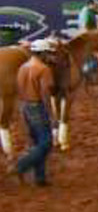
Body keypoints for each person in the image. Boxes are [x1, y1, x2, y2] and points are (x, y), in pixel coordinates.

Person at [13, 40, 57, 187]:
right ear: (42, 53)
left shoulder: (23, 67)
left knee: (36, 142)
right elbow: (45, 94)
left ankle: (40, 177)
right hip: (37, 106)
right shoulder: (44, 69)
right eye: (48, 53)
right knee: (46, 143)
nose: (50, 55)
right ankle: (21, 165)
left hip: (24, 106)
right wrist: (52, 115)